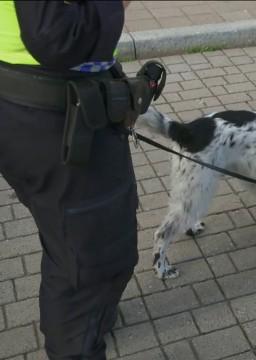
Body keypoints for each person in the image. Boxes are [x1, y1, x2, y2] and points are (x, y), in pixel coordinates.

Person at [0, 1, 144, 358]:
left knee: (98, 244)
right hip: (51, 113)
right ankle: (79, 336)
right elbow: (55, 36)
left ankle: (95, 318)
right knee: (87, 264)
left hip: (61, 106)